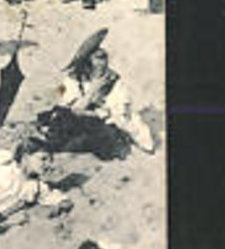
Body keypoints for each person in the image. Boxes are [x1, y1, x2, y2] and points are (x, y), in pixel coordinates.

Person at [32, 28, 155, 158]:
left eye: (105, 57)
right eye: (99, 58)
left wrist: (94, 112)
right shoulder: (75, 78)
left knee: (108, 141)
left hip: (100, 121)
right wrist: (94, 89)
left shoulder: (113, 80)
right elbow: (72, 107)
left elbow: (118, 113)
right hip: (78, 118)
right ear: (88, 61)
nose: (104, 62)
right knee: (62, 120)